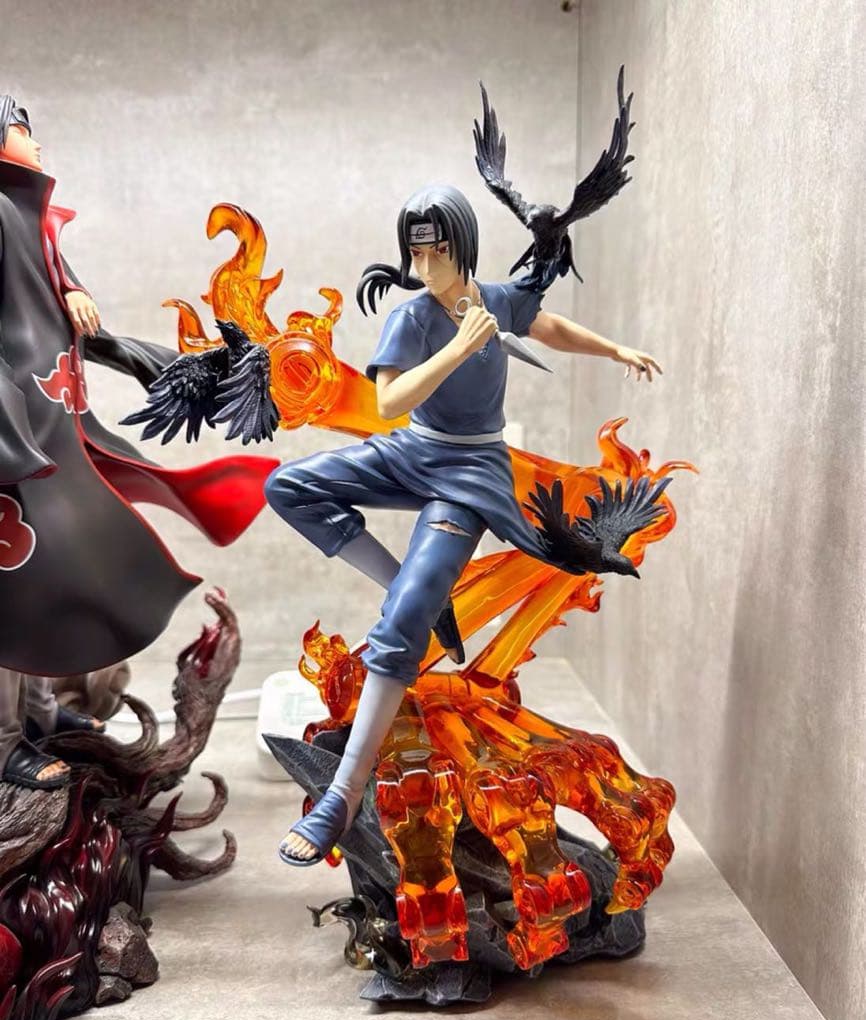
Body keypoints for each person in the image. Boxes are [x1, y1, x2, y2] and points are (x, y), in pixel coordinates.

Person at [267, 184, 662, 864]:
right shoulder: (413, 317)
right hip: (411, 450)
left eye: (437, 250)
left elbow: (546, 325)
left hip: (472, 474)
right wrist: (459, 346)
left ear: (462, 247)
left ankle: (341, 795)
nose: (424, 263)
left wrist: (615, 349)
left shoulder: (497, 299)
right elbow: (389, 402)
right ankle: (417, 593)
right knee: (289, 486)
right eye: (415, 251)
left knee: (401, 625)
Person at [0, 95, 277, 788]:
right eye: (23, 131)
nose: (36, 143)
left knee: (51, 576)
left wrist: (77, 296)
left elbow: (49, 287)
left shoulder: (26, 213)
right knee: (13, 593)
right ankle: (5, 741)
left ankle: (40, 715)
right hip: (16, 429)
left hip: (51, 418)